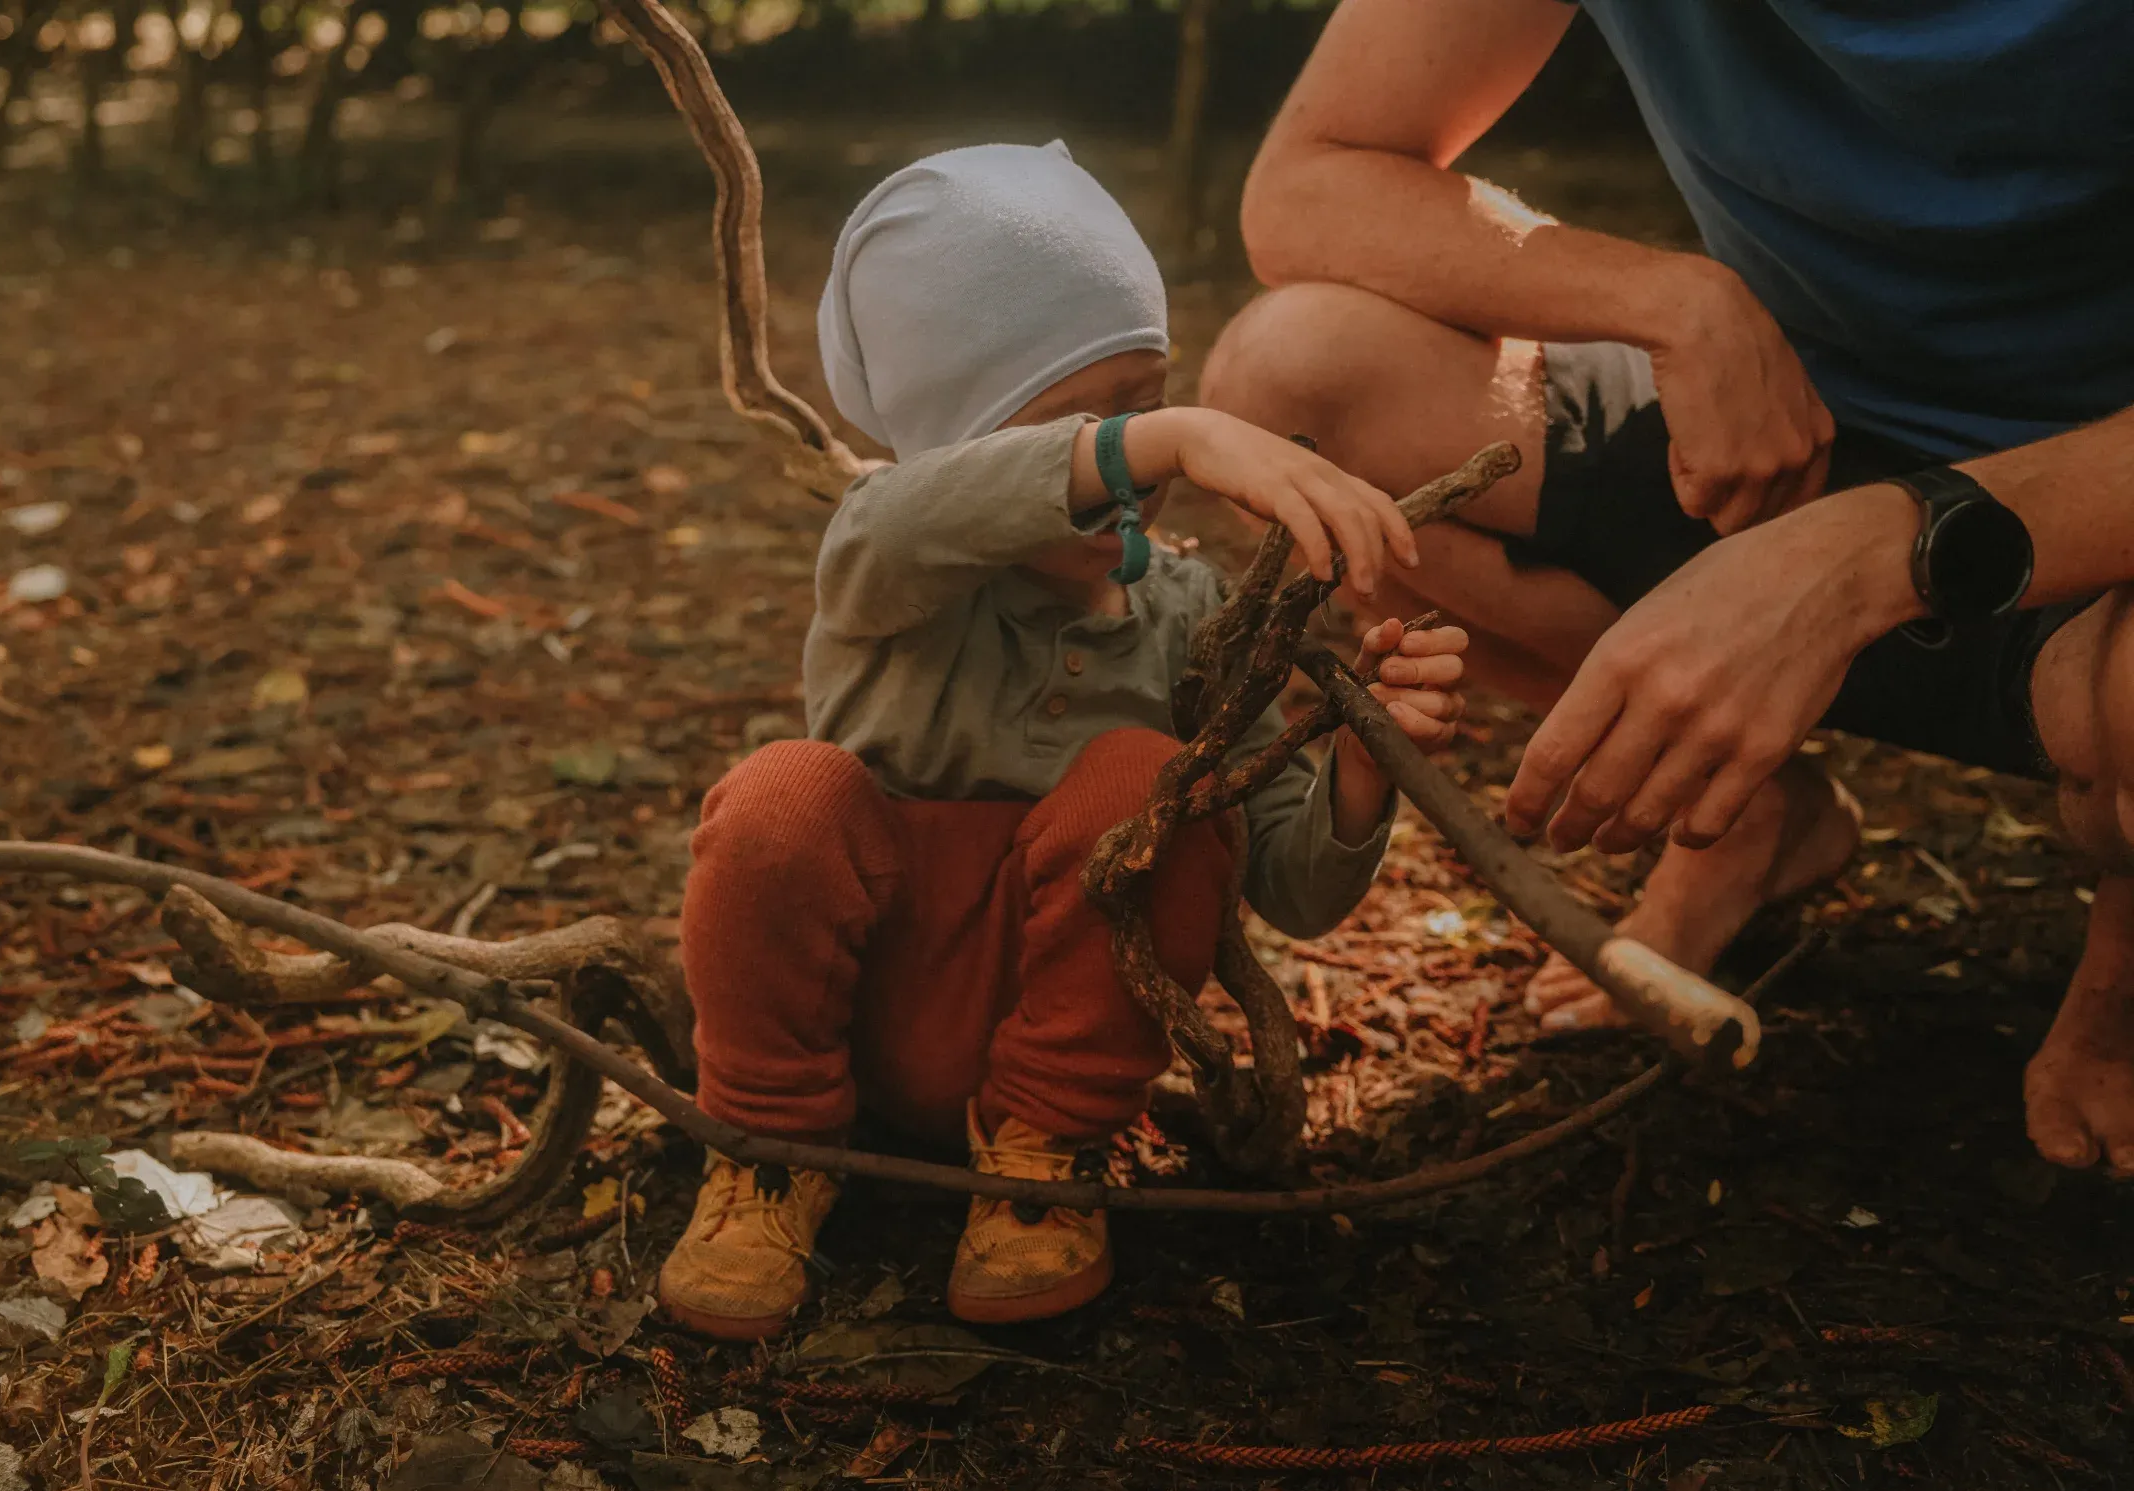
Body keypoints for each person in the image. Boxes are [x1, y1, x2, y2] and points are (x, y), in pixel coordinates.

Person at [1203, 0, 2134, 1172]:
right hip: (1771, 435)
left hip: (2090, 503)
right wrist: (1677, 305)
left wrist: (1872, 548)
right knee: (1285, 388)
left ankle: (2116, 993)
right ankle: (1737, 816)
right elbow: (1307, 186)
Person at [656, 142, 1471, 1340]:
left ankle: (1040, 1159)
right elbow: (900, 519)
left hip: (1053, 1066)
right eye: (1085, 428)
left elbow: (1292, 887)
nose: (1138, 461)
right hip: (858, 1021)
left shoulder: (1190, 620)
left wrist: (1361, 765)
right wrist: (1167, 439)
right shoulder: (897, 574)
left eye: (1146, 402)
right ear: (968, 444)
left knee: (1153, 781)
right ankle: (769, 1152)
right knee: (783, 795)